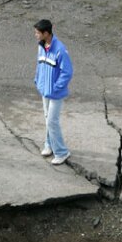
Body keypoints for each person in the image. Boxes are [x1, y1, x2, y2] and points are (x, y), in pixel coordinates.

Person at [33, 19, 73, 165]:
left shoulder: (60, 50)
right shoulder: (41, 47)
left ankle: (62, 152)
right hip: (45, 91)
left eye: (37, 33)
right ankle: (49, 145)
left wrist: (56, 87)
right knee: (47, 118)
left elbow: (67, 72)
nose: (35, 35)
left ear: (46, 33)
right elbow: (39, 65)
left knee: (52, 121)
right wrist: (37, 80)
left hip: (56, 93)